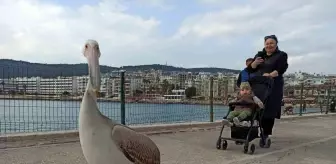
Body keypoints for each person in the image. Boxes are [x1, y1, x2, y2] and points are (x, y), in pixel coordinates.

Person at [246, 34, 289, 138]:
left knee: (269, 110)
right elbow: (251, 69)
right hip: (259, 85)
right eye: (267, 43)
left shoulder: (281, 55)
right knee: (255, 107)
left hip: (273, 85)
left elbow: (281, 68)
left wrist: (270, 75)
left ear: (276, 44)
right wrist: (254, 63)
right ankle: (251, 131)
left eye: (271, 43)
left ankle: (265, 133)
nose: (269, 45)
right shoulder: (260, 55)